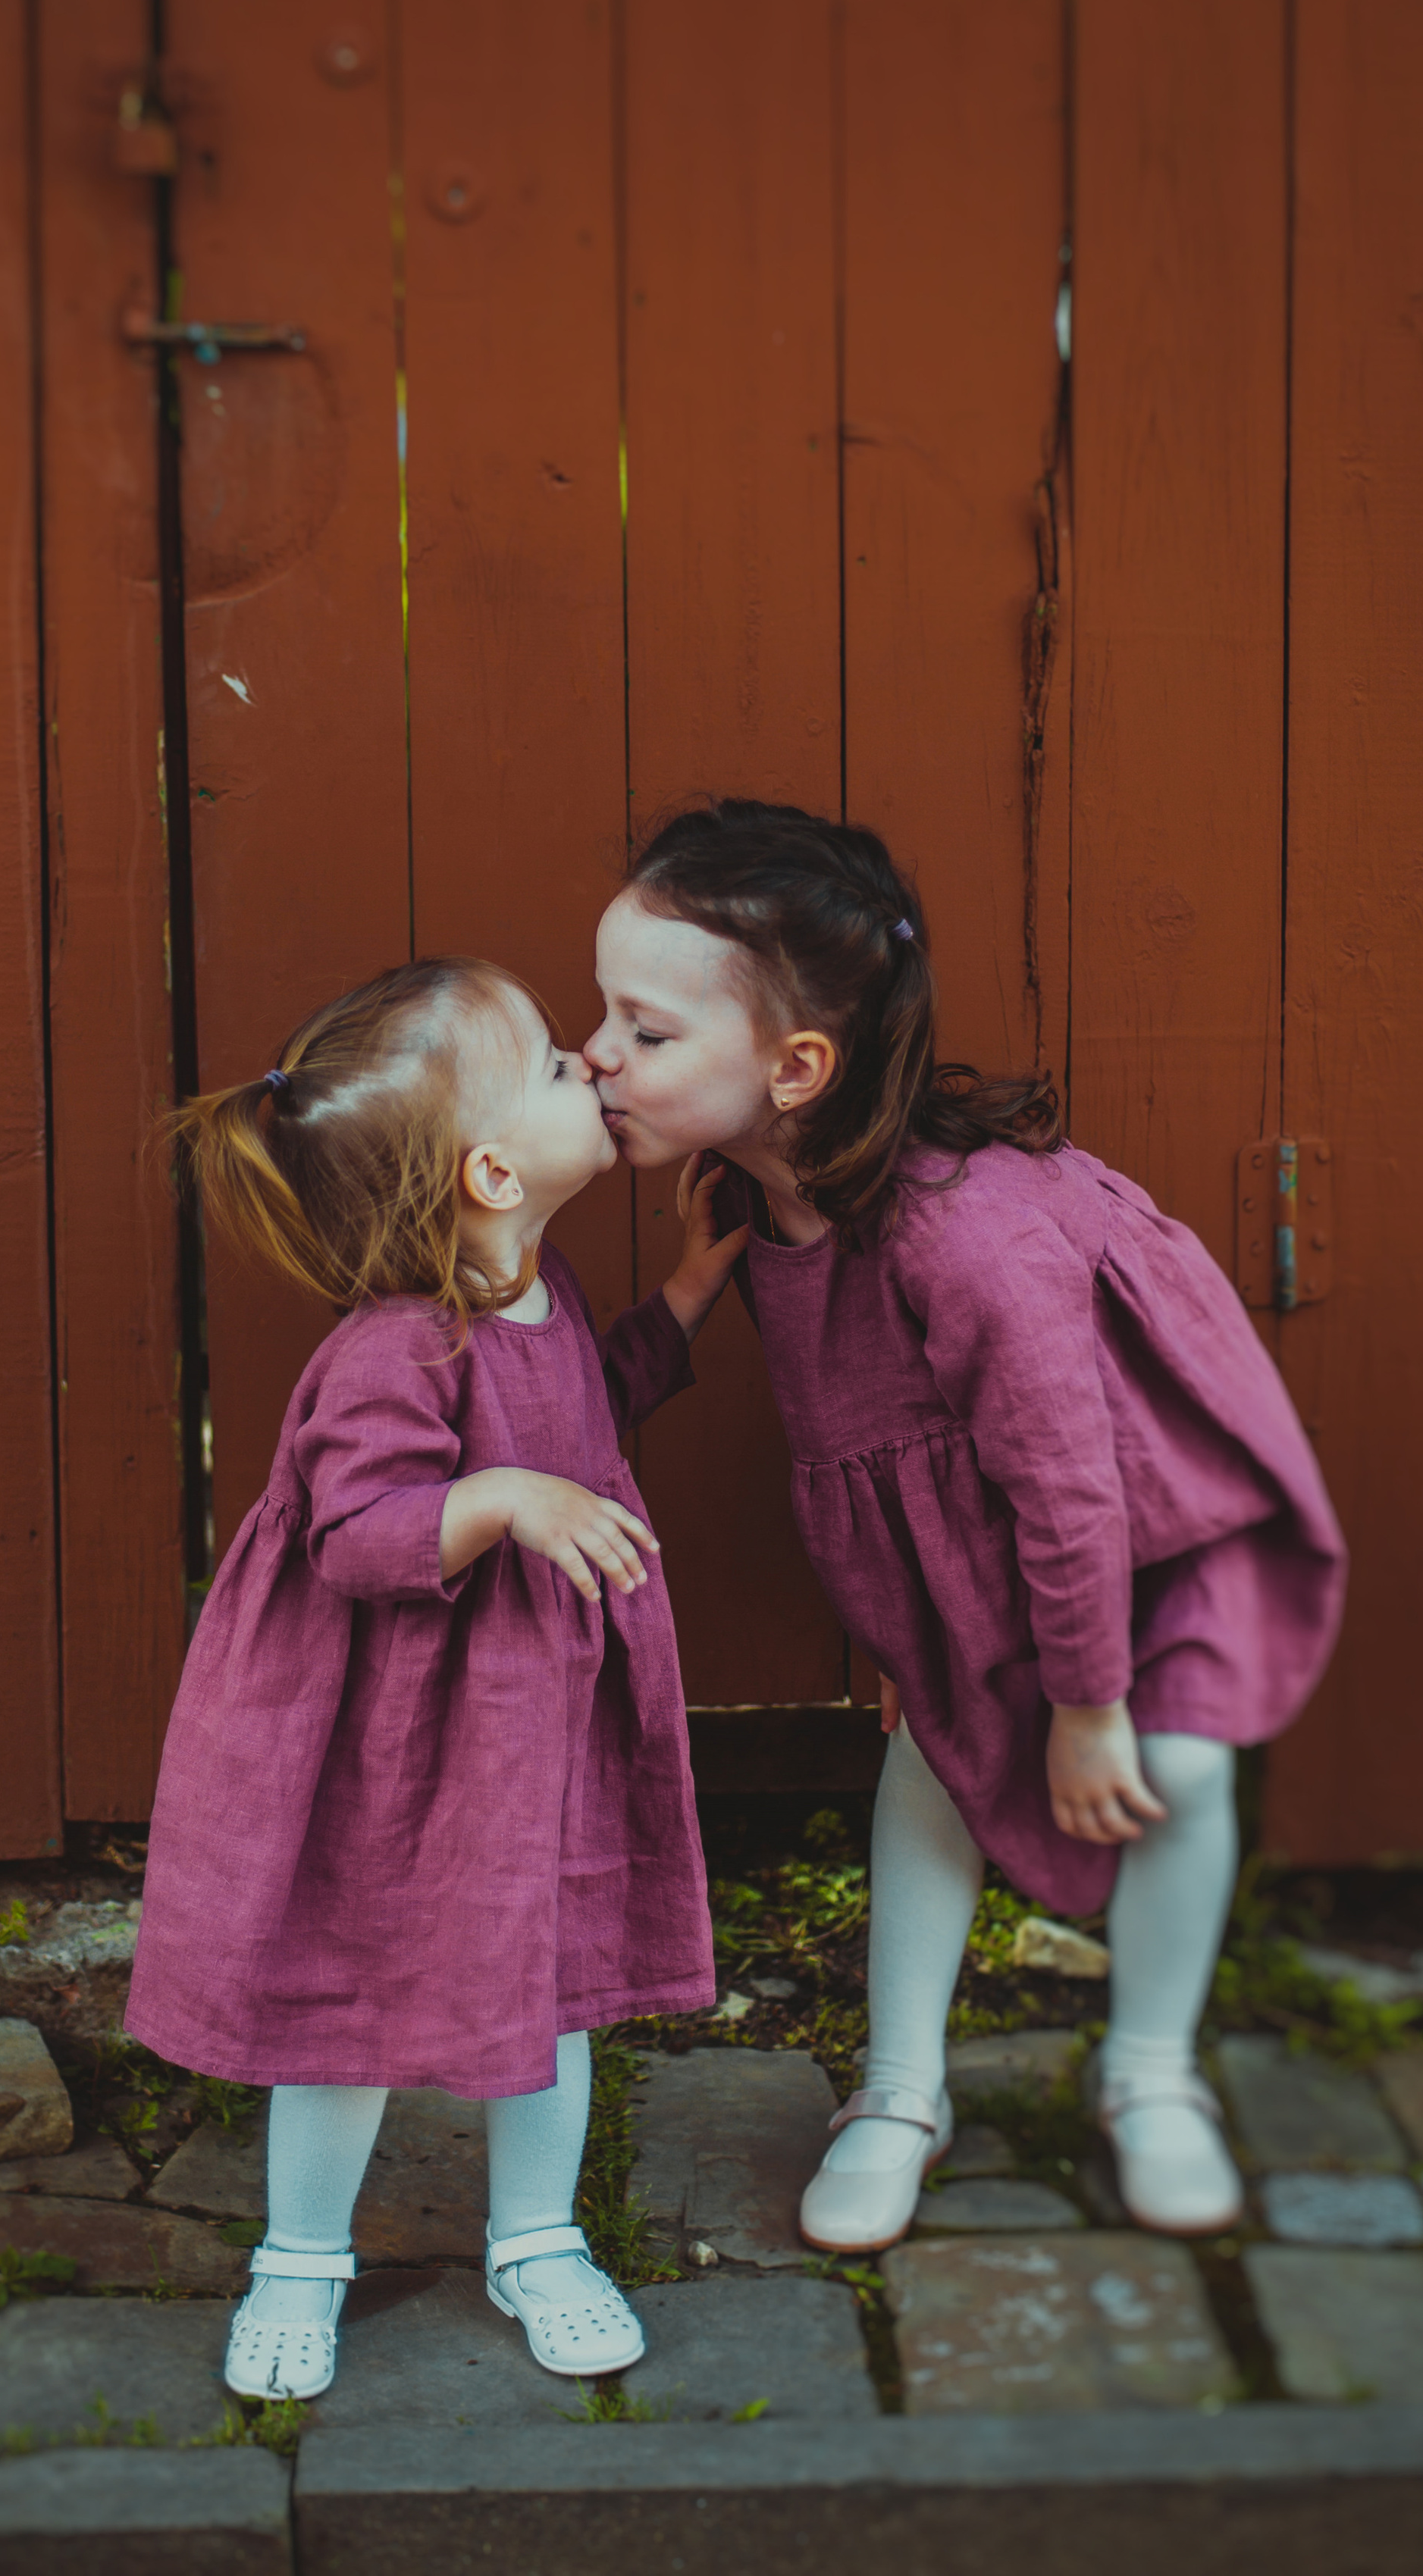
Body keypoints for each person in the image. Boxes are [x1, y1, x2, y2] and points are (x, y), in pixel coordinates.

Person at [585, 800, 1346, 2248]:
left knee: (1170, 1762)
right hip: (996, 1536)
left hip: (1148, 1530)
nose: (597, 1056)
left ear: (795, 1070)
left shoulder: (964, 1241)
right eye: (602, 1015)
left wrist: (1086, 1703)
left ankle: (1152, 2070)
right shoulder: (752, 1201)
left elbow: (1068, 1485)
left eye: (645, 1030)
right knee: (935, 1735)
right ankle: (899, 2090)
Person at [126, 957, 740, 2402]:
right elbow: (361, 1536)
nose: (586, 1068)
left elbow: (593, 1396)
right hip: (394, 1745)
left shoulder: (539, 1286)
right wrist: (505, 1498)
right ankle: (300, 2254)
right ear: (487, 1167)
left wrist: (699, 1287)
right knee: (350, 2001)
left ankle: (535, 2239)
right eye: (548, 1065)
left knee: (555, 1980)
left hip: (533, 1727)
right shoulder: (394, 1349)